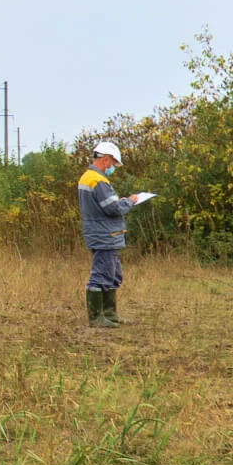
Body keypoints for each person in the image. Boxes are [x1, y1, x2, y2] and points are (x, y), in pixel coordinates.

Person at [77, 141, 152, 328]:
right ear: (105, 159)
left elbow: (103, 206)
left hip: (102, 234)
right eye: (113, 164)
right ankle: (97, 318)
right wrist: (131, 201)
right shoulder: (98, 181)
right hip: (104, 236)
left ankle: (110, 314)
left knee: (113, 275)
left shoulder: (88, 178)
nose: (113, 168)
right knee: (101, 276)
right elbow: (112, 208)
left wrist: (122, 202)